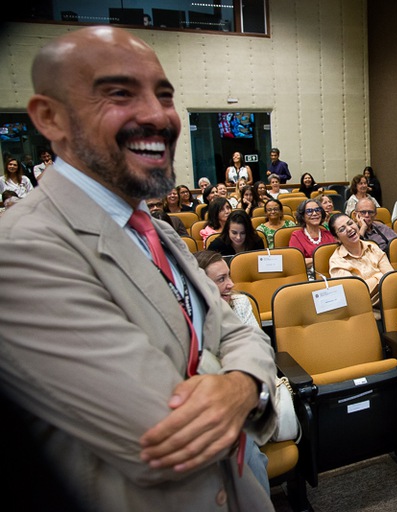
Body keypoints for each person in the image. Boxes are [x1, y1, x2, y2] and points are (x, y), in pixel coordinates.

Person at [0, 26, 276, 511]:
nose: (157, 115)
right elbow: (162, 432)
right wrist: (245, 378)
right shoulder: (20, 252)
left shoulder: (154, 228)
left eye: (164, 94)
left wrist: (238, 385)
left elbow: (240, 330)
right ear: (50, 117)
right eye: (119, 93)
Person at [193, 250, 270, 493]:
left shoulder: (240, 303)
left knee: (240, 439)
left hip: (251, 389)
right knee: (251, 456)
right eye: (221, 280)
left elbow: (258, 352)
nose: (231, 284)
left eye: (229, 276)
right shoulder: (190, 315)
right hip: (211, 401)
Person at [328, 213, 394, 305]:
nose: (349, 229)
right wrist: (379, 276)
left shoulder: (373, 247)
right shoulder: (337, 261)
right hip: (366, 311)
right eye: (342, 229)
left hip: (390, 301)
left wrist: (372, 283)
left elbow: (391, 279)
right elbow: (356, 293)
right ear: (337, 239)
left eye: (350, 223)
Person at [289, 198, 335, 270]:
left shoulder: (328, 234)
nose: (314, 213)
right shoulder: (297, 236)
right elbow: (296, 261)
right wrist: (322, 259)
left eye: (317, 210)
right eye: (309, 211)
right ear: (303, 216)